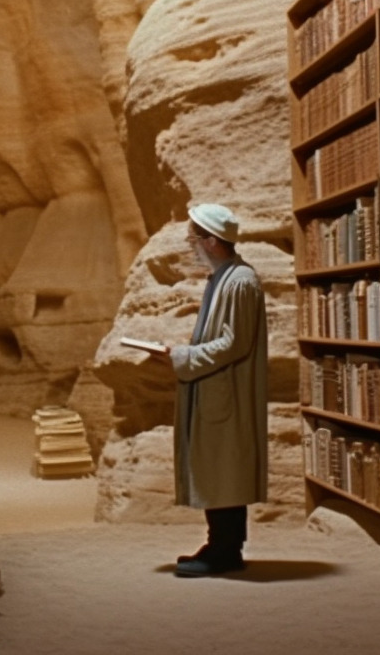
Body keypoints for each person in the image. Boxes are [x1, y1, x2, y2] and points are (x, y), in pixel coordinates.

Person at [139, 202, 269, 577]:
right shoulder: (222, 278)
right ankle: (219, 544)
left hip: (226, 391)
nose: (190, 244)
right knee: (218, 469)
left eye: (194, 237)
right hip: (214, 387)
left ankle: (226, 550)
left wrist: (181, 355)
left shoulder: (241, 281)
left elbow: (234, 343)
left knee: (224, 469)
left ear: (213, 242)